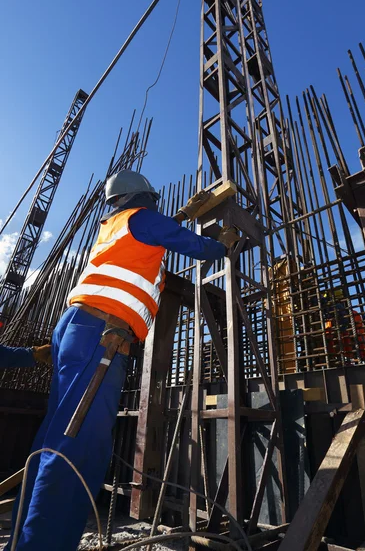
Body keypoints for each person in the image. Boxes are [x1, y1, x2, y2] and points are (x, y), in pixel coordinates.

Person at [7, 170, 234, 551]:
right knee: (79, 447)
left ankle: (21, 540)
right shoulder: (144, 220)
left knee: (53, 438)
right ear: (144, 197)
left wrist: (180, 218)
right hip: (102, 335)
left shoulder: (117, 226)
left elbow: (156, 237)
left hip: (78, 330)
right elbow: (191, 245)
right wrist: (222, 245)